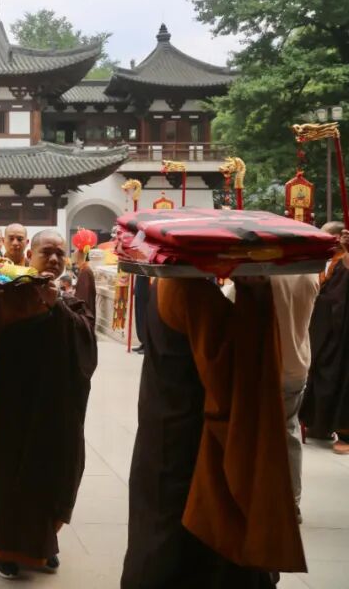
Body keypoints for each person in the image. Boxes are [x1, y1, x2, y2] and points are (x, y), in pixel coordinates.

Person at [121, 277, 306, 587]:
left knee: (158, 526)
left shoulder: (166, 282)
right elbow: (231, 372)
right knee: (193, 542)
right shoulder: (192, 291)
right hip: (193, 442)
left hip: (163, 426)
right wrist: (255, 296)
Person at [0, 230, 96, 580]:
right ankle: (2, 546)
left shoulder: (68, 299)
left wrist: (55, 304)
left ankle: (43, 545)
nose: (55, 259)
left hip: (55, 409)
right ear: (30, 253)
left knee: (51, 474)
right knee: (6, 477)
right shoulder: (7, 291)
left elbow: (86, 348)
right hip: (10, 405)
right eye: (47, 252)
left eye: (61, 253)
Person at [271, 273, 319, 523]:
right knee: (289, 430)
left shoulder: (266, 275)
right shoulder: (310, 275)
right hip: (297, 363)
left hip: (269, 364)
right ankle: (292, 502)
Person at [303, 223, 349, 454]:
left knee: (336, 377)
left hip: (340, 329)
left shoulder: (344, 260)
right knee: (318, 375)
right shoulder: (323, 261)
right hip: (320, 326)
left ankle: (344, 433)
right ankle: (318, 425)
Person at [72, 248, 98, 324]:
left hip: (84, 305)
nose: (74, 258)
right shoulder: (83, 269)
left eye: (75, 255)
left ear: (79, 256)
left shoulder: (86, 271)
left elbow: (85, 293)